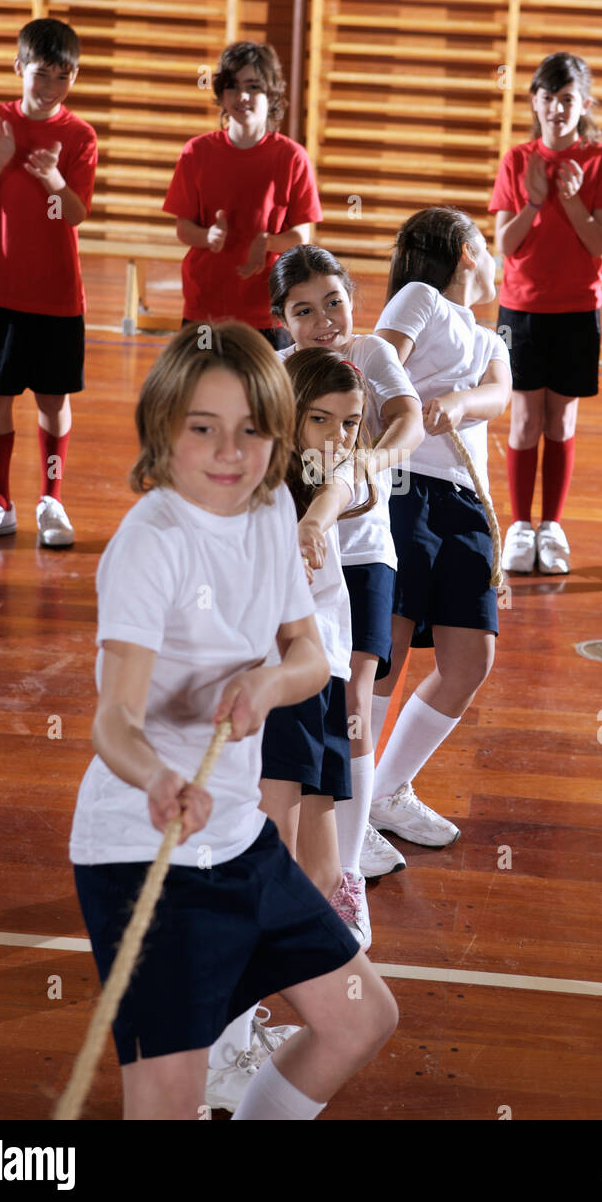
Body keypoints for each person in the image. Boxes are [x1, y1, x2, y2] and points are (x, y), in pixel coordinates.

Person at [70, 321, 397, 1120]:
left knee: (359, 1017)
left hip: (239, 838)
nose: (230, 451)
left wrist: (267, 682)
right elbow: (112, 720)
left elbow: (309, 654)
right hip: (145, 850)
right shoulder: (152, 543)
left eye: (253, 429)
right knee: (166, 1104)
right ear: (162, 429)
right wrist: (158, 777)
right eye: (203, 428)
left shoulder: (267, 507)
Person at [270, 245, 424, 882]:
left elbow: (409, 420)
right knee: (307, 700)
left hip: (363, 555)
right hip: (301, 559)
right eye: (304, 310)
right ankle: (313, 849)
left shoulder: (371, 355)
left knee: (355, 697)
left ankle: (350, 870)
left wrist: (370, 461)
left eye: (335, 301)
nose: (325, 320)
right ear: (281, 318)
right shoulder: (275, 372)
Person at [369, 207, 511, 847]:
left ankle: (385, 793)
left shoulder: (491, 338)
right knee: (384, 651)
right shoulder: (420, 297)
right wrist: (408, 413)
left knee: (471, 658)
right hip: (403, 489)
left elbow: (499, 396)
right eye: (487, 245)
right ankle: (344, 806)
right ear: (466, 254)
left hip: (463, 505)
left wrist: (456, 404)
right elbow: (377, 363)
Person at [0, 17, 97, 548]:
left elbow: (73, 214)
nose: (50, 86)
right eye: (41, 74)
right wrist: (1, 161)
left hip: (57, 292)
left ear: (73, 78)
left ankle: (51, 499)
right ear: (19, 68)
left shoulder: (79, 136)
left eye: (62, 76)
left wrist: (52, 180)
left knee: (53, 400)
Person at [490, 51, 602, 575]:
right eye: (548, 97)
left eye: (567, 98)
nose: (557, 108)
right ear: (535, 102)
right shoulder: (516, 160)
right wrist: (533, 202)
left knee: (562, 418)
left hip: (577, 308)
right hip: (521, 307)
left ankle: (552, 525)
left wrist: (569, 202)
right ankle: (521, 525)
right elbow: (505, 244)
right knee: (524, 419)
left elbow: (598, 243)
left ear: (583, 103)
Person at [162, 42, 322, 348]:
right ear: (221, 94)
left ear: (271, 93)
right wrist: (207, 237)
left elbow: (302, 235)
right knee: (202, 393)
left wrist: (267, 243)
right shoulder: (196, 152)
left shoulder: (292, 157)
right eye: (233, 87)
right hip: (206, 308)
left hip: (269, 311)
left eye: (253, 86)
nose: (242, 96)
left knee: (265, 397)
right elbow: (183, 228)